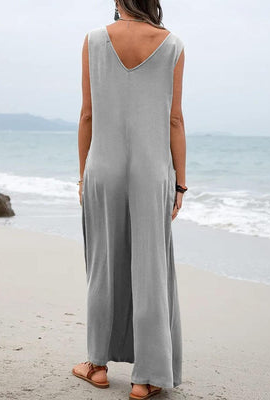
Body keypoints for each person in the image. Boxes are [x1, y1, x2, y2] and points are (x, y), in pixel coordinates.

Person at [72, 0, 187, 398]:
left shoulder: (93, 40)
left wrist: (83, 173)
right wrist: (180, 183)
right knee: (151, 270)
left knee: (103, 266)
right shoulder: (172, 44)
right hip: (152, 172)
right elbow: (174, 118)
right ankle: (146, 378)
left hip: (102, 168)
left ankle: (98, 365)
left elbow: (88, 114)